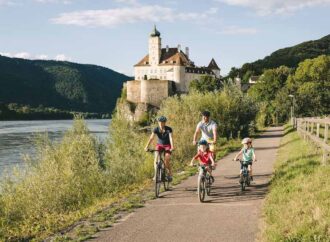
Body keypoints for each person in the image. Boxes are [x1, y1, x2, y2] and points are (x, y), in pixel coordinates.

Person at [145, 116, 174, 182]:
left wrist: (172, 147)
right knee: (156, 159)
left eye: (162, 122)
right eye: (159, 122)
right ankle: (156, 175)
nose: (161, 124)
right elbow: (151, 138)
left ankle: (170, 173)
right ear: (158, 122)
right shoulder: (156, 129)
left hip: (167, 146)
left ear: (165, 123)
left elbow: (171, 138)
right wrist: (146, 146)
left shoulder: (169, 129)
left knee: (166, 160)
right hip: (159, 145)